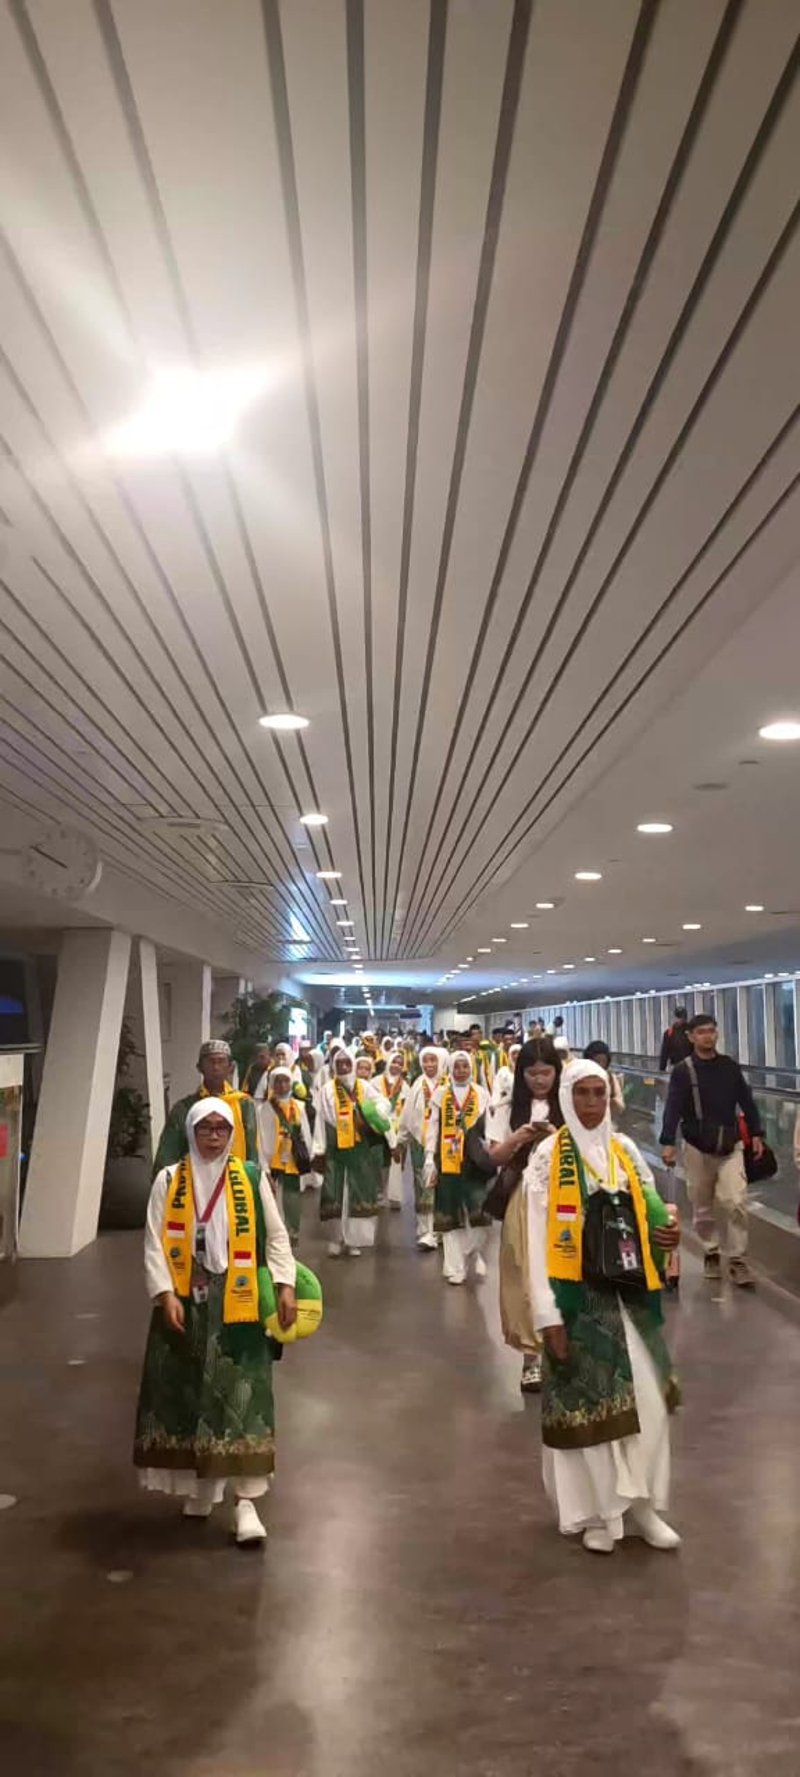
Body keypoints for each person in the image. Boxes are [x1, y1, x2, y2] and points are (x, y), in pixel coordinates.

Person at [525, 1059, 681, 1555]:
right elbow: (535, 1242)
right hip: (576, 1297)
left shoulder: (625, 1151)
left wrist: (667, 1234)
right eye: (582, 1093)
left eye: (599, 1093)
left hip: (629, 1295)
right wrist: (548, 1315)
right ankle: (600, 1515)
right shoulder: (549, 1157)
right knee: (592, 1412)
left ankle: (643, 1508)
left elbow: (652, 1211)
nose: (592, 1103)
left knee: (649, 1404)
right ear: (566, 1098)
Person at [134, 1098, 297, 1546]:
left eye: (220, 1129)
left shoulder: (250, 1176)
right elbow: (154, 1241)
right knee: (190, 1399)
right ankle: (203, 1488)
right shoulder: (170, 1180)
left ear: (231, 1134)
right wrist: (164, 1293)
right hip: (185, 1300)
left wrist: (284, 1284)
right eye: (204, 1128)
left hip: (239, 1304)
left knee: (243, 1400)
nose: (212, 1136)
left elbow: (276, 1236)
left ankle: (246, 1504)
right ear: (191, 1132)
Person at [660, 1013, 764, 1288]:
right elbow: (673, 1107)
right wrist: (668, 1141)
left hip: (730, 1144)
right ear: (691, 1037)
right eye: (702, 1032)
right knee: (702, 1206)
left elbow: (746, 1100)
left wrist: (757, 1132)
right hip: (697, 1147)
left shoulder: (729, 1067)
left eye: (711, 1031)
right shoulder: (683, 1071)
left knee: (736, 1201)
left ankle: (738, 1259)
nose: (708, 1036)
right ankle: (711, 1251)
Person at [487, 1038, 563, 1393]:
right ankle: (531, 1357)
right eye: (532, 1073)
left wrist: (557, 1138)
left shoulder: (570, 1102)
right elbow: (495, 1156)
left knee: (561, 1269)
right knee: (521, 1267)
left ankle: (561, 1351)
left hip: (563, 1196)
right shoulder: (507, 1107)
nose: (540, 1080)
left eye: (546, 1072)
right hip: (522, 1195)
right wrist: (518, 1138)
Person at [313, 1050, 393, 1257]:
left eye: (347, 1063)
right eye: (339, 1064)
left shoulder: (364, 1087)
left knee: (358, 1193)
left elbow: (384, 1103)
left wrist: (374, 1113)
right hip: (335, 1149)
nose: (343, 1067)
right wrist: (318, 1149)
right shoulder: (326, 1090)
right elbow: (320, 1121)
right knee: (334, 1194)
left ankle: (354, 1240)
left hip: (359, 1150)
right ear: (334, 1066)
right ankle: (336, 1239)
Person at [424, 1051, 490, 1285]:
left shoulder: (481, 1094)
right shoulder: (441, 1094)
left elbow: (491, 1126)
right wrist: (429, 1158)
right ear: (450, 1069)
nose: (461, 1071)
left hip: (475, 1163)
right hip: (447, 1161)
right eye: (457, 1067)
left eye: (465, 1066)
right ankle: (454, 1267)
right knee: (449, 1216)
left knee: (480, 1215)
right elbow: (433, 1126)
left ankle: (470, 1251)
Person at [153, 1040, 258, 1174]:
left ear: (230, 1067)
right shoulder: (185, 1108)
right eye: (210, 1062)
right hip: (193, 1178)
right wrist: (164, 1179)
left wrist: (256, 1178)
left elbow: (252, 1150)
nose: (216, 1067)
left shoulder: (244, 1104)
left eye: (221, 1061)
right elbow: (168, 1152)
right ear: (199, 1067)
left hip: (235, 1179)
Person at [256, 1064, 313, 1248]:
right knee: (271, 1199)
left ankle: (292, 1231)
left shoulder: (299, 1106)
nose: (282, 1085)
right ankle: (274, 1235)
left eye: (286, 1081)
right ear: (272, 1084)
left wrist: (308, 1157)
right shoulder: (264, 1109)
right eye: (277, 1081)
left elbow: (305, 1133)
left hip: (292, 1160)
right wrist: (263, 1164)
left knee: (292, 1198)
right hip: (271, 1161)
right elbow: (260, 1137)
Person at [400, 1046, 448, 1250]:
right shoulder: (418, 1085)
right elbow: (407, 1114)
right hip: (420, 1144)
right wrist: (401, 1139)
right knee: (423, 1187)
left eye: (433, 1060)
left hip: (445, 1144)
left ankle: (442, 1229)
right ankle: (426, 1230)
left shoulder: (448, 1083)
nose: (429, 1065)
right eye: (425, 1061)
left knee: (443, 1187)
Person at [382, 1051, 409, 1211]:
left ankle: (394, 1196)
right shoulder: (377, 1082)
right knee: (381, 1163)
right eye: (394, 1062)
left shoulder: (405, 1086)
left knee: (396, 1163)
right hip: (380, 1127)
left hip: (398, 1127)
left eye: (400, 1063)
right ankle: (380, 1193)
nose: (396, 1066)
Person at [583, 1040, 625, 1120]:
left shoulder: (611, 1078)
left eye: (603, 1062)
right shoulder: (579, 1078)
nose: (600, 1065)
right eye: (597, 1061)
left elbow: (620, 1107)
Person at [659, 1006, 692, 1071]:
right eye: (678, 1017)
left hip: (690, 1066)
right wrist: (661, 1069)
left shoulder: (691, 1031)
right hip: (675, 1066)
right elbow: (664, 1053)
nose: (680, 1019)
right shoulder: (669, 1033)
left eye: (682, 1017)